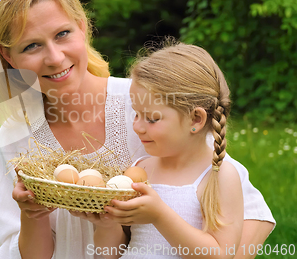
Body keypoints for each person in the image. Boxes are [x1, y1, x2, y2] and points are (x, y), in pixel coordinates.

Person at [0, 0, 275, 259]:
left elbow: (252, 213)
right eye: (31, 46)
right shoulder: (18, 132)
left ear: (82, 27)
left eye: (62, 34)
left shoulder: (146, 103)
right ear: (8, 56)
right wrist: (31, 214)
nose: (54, 58)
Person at [93, 43, 266, 258]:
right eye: (136, 114)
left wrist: (159, 216)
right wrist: (107, 225)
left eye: (152, 118)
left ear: (196, 119)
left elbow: (221, 254)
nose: (137, 126)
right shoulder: (140, 168)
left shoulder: (219, 176)